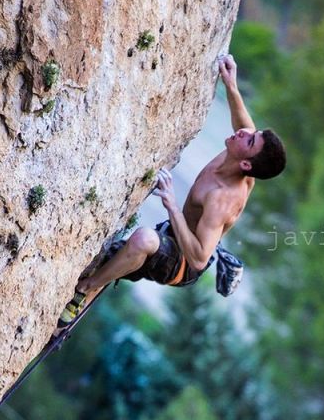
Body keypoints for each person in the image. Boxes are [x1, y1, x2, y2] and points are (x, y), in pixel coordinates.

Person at [57, 55, 286, 326]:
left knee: (143, 240)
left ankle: (84, 289)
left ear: (246, 164)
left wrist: (171, 204)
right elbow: (244, 125)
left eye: (249, 140)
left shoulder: (222, 198)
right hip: (177, 234)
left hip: (182, 263)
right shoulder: (239, 156)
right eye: (251, 134)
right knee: (117, 254)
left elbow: (198, 258)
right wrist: (231, 85)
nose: (243, 133)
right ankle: (110, 271)